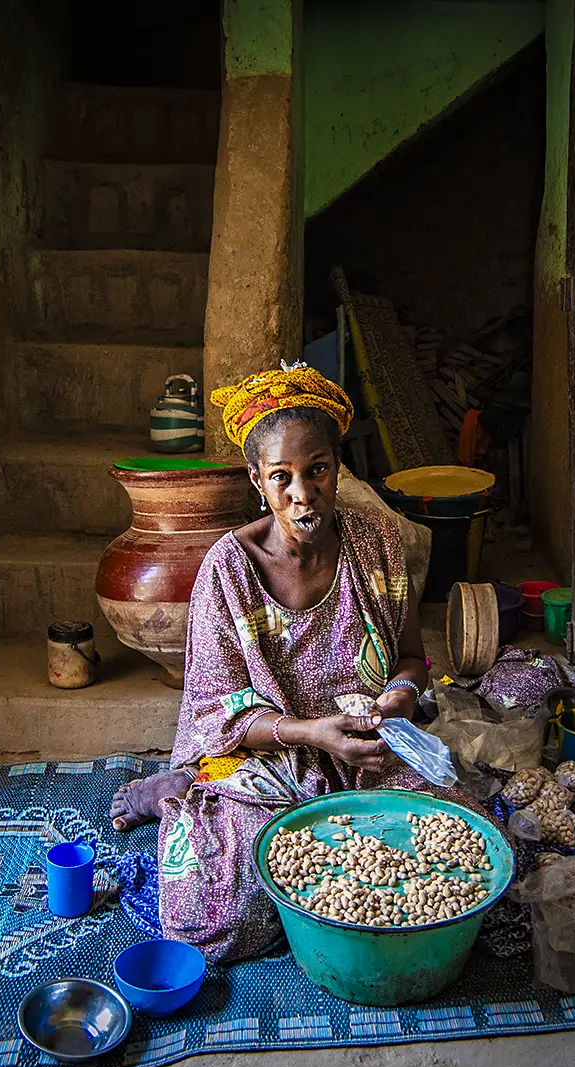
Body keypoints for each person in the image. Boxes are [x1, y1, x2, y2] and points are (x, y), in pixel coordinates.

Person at [105, 362, 493, 964]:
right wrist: (312, 734)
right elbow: (213, 709)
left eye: (317, 471)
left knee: (457, 852)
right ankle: (176, 792)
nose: (302, 494)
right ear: (259, 481)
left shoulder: (380, 546)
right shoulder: (227, 570)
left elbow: (414, 658)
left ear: (338, 471)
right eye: (282, 477)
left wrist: (398, 696)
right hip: (264, 754)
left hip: (368, 746)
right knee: (217, 921)